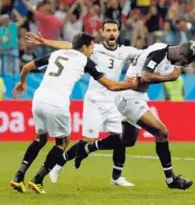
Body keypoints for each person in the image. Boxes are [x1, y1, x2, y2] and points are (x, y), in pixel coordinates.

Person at [9, 32, 138, 194]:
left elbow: (26, 67)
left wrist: (22, 83)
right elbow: (110, 85)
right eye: (91, 46)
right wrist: (129, 85)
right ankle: (38, 180)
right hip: (57, 102)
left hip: (38, 99)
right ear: (84, 47)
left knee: (40, 139)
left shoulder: (57, 53)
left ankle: (18, 176)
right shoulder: (85, 60)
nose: (92, 50)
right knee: (62, 143)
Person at [75, 41, 195, 190]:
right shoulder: (159, 53)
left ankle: (87, 148)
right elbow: (146, 76)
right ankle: (171, 179)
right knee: (162, 133)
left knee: (127, 141)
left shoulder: (167, 52)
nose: (184, 66)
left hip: (138, 96)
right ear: (180, 54)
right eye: (185, 62)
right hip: (129, 96)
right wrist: (170, 77)